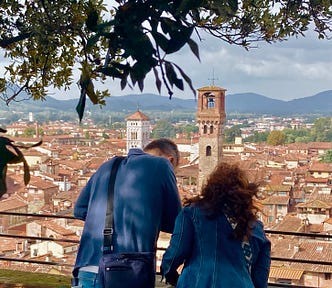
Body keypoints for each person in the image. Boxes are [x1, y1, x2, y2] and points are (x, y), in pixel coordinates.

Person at [72, 138, 182, 288]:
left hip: (87, 268)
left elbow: (80, 210)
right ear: (171, 160)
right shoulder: (162, 165)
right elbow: (176, 222)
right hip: (129, 271)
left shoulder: (107, 166)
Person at [161, 162, 271, 288]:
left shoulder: (192, 213)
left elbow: (177, 251)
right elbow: (260, 277)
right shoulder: (255, 227)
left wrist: (170, 274)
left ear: (210, 188)